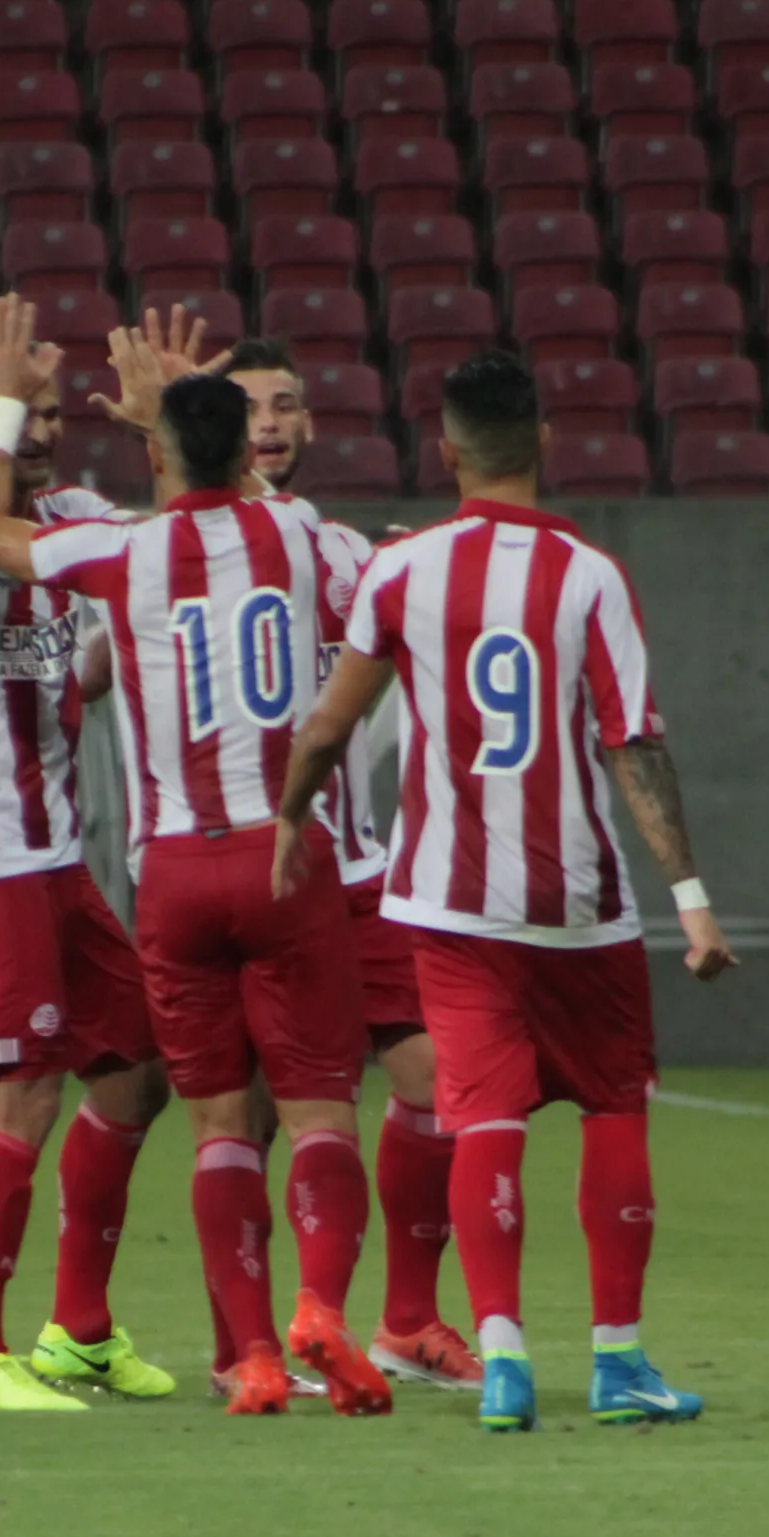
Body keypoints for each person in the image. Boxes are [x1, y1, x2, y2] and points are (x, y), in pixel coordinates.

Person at [271, 350, 737, 1433]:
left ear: (447, 452)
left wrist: (291, 819)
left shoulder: (401, 571)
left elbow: (330, 724)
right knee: (614, 1107)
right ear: (543, 444)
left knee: (481, 1118)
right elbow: (634, 743)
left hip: (444, 902)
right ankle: (617, 1362)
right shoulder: (591, 576)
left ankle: (502, 1359)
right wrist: (693, 894)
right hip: (575, 903)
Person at [0, 295, 389, 1419]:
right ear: (247, 452)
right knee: (322, 1113)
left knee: (205, 1120)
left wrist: (5, 414)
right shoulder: (298, 533)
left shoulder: (120, 549)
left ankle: (237, 1356)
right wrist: (169, 423)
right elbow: (343, 576)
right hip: (283, 857)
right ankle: (321, 1314)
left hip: (171, 876)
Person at [0, 327, 176, 1413]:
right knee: (21, 1094)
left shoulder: (72, 526)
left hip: (57, 861)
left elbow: (185, 548)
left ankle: (80, 1333)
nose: (46, 433)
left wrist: (165, 425)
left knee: (136, 1070)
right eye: (21, 412)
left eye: (55, 414)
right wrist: (1, 402)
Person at [219, 336, 481, 1393]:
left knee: (437, 1084)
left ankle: (405, 1321)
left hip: (360, 873)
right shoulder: (177, 549)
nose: (271, 424)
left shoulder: (342, 553)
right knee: (245, 1115)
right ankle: (241, 1345)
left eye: (287, 405)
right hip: (245, 869)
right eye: (247, 411)